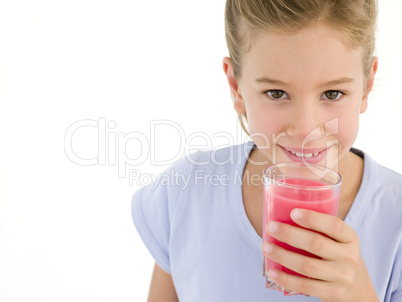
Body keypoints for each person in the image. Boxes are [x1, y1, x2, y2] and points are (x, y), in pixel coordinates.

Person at [131, 0, 402, 301]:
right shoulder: (185, 194)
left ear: (367, 85)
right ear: (237, 87)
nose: (304, 128)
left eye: (332, 93)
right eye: (276, 93)